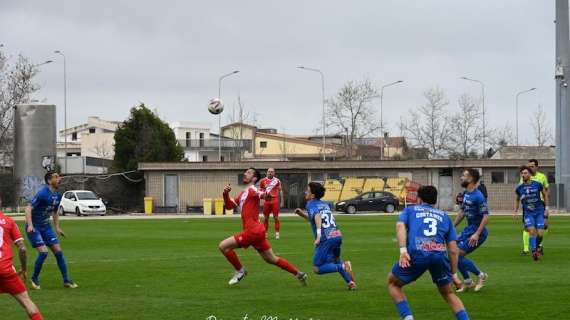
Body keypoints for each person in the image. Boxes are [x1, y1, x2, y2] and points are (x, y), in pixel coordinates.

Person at [387, 186, 469, 320]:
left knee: (393, 283)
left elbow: (400, 226)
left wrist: (403, 251)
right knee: (448, 293)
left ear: (419, 199)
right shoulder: (445, 216)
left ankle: (407, 317)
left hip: (416, 254)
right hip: (439, 257)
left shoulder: (410, 210)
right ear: (435, 200)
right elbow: (453, 250)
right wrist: (453, 274)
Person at [218, 167, 307, 286]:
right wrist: (225, 194)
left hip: (252, 231)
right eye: (245, 172)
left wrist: (266, 195)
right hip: (258, 232)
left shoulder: (252, 190)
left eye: (248, 172)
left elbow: (261, 194)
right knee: (271, 259)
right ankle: (299, 274)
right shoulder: (243, 193)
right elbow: (229, 206)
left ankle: (240, 270)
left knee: (223, 246)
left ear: (254, 178)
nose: (245, 174)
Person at [294, 182, 357, 290]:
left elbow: (317, 217)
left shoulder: (310, 204)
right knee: (336, 259)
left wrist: (318, 236)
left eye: (307, 190)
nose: (305, 192)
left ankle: (344, 266)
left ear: (312, 195)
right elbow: (315, 219)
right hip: (336, 235)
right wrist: (302, 214)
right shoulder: (324, 204)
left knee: (317, 268)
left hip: (325, 238)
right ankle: (350, 282)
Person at [25, 171, 78, 290]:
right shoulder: (42, 193)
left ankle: (66, 281)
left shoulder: (58, 195)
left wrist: (57, 227)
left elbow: (55, 212)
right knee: (44, 252)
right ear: (49, 181)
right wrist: (30, 225)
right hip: (35, 227)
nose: (59, 179)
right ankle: (34, 278)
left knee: (58, 252)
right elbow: (28, 208)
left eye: (59, 177)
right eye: (56, 177)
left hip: (46, 226)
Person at [0, 210, 44, 319]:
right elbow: (22, 249)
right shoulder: (9, 221)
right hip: (6, 270)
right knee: (26, 301)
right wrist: (24, 269)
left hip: (5, 270)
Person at [454, 169, 489, 292]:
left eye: (463, 175)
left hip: (478, 232)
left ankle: (481, 276)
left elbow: (486, 217)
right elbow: (463, 211)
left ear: (471, 179)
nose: (461, 177)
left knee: (456, 254)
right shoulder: (466, 193)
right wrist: (452, 227)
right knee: (452, 253)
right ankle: (468, 282)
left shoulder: (478, 196)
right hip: (469, 230)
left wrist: (476, 234)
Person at [514, 166, 549, 261]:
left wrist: (547, 208)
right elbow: (517, 199)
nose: (523, 175)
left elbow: (545, 194)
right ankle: (534, 251)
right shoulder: (519, 188)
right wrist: (516, 211)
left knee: (540, 234)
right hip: (528, 213)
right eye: (522, 173)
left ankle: (537, 248)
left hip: (539, 212)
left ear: (530, 174)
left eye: (525, 173)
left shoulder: (537, 184)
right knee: (532, 231)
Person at [259, 168, 282, 239]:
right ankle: (265, 234)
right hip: (266, 201)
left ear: (274, 173)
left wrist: (281, 201)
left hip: (275, 200)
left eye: (272, 172)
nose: (270, 173)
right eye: (269, 172)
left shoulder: (277, 180)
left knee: (276, 218)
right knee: (266, 218)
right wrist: (261, 200)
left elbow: (280, 190)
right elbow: (260, 190)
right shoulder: (262, 181)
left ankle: (277, 234)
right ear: (267, 172)